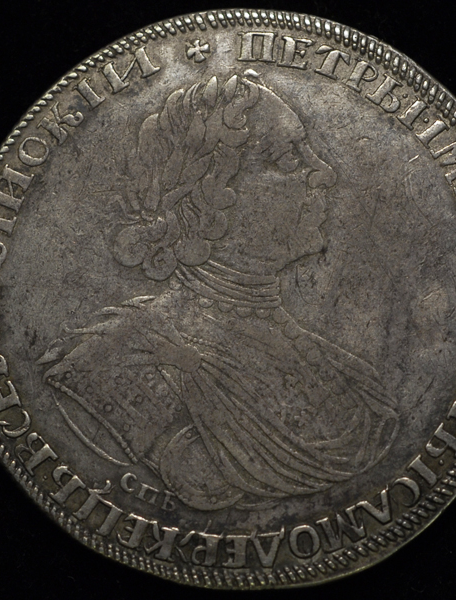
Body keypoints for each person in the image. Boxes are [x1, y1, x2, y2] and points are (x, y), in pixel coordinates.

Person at [39, 72, 399, 511]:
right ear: (206, 200)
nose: (323, 172)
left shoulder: (338, 367)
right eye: (289, 158)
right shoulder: (113, 358)